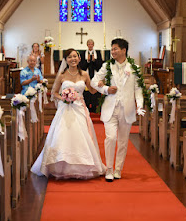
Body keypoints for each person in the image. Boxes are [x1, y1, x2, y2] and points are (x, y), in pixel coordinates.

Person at [31, 48, 106, 179]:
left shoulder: (84, 74)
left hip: (80, 108)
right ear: (66, 60)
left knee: (81, 136)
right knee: (62, 135)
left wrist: (101, 85)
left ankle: (82, 165)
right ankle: (60, 165)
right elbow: (54, 93)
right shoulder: (62, 75)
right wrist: (64, 98)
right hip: (65, 109)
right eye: (70, 57)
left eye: (75, 56)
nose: (73, 59)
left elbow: (93, 91)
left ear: (79, 58)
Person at [91, 38, 145, 182]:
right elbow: (94, 81)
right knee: (111, 138)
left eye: (115, 49)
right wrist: (106, 89)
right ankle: (108, 168)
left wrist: (139, 105)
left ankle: (118, 169)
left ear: (124, 50)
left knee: (122, 142)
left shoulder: (135, 68)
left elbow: (138, 89)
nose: (113, 51)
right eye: (112, 48)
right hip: (110, 108)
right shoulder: (107, 66)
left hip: (127, 109)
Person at [80, 39, 103, 113]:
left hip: (95, 74)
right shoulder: (83, 53)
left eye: (91, 44)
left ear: (93, 45)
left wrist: (94, 60)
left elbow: (100, 65)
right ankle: (86, 106)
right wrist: (87, 61)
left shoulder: (97, 53)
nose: (90, 45)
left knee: (95, 90)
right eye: (89, 44)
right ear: (87, 45)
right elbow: (81, 66)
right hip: (87, 75)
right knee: (86, 91)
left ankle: (95, 106)